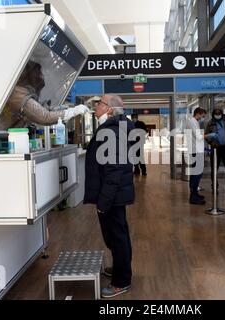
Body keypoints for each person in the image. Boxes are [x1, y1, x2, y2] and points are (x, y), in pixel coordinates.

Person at [83, 94, 134, 298]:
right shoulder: (114, 128)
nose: (96, 106)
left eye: (100, 103)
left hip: (111, 195)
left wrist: (103, 202)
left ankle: (121, 281)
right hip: (114, 193)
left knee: (116, 237)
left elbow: (114, 170)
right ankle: (122, 269)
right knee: (118, 235)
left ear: (110, 110)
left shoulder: (112, 131)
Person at [0, 61, 89, 130]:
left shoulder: (26, 90)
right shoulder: (17, 93)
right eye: (38, 72)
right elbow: (44, 117)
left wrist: (56, 109)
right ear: (28, 74)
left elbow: (41, 109)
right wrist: (72, 112)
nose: (41, 76)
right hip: (0, 135)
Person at [205, 108, 225, 196]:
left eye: (219, 113)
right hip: (215, 149)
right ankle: (215, 187)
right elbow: (206, 135)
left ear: (222, 114)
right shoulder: (210, 122)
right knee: (214, 169)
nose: (217, 115)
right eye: (215, 113)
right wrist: (211, 142)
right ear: (213, 114)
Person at [186, 107, 208, 205]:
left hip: (195, 150)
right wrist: (209, 135)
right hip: (196, 151)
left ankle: (195, 193)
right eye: (203, 115)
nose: (203, 117)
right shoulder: (193, 122)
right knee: (197, 174)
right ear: (198, 113)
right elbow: (198, 137)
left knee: (195, 174)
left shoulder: (193, 121)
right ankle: (193, 196)